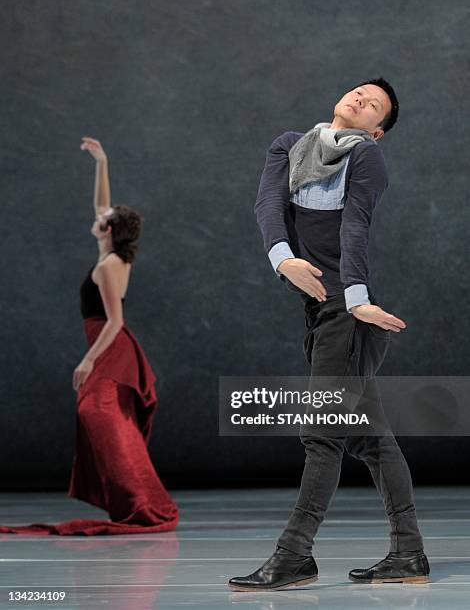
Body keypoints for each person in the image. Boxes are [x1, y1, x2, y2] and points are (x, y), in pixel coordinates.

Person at [228, 78, 430, 589]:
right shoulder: (289, 145)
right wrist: (284, 259)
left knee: (322, 433)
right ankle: (409, 554)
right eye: (360, 93)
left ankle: (294, 554)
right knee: (367, 435)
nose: (362, 100)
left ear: (377, 131)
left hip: (346, 310)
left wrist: (358, 300)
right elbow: (267, 204)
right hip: (319, 309)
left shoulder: (366, 158)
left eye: (374, 106)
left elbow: (354, 226)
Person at [0, 138, 178, 535]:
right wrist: (102, 161)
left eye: (106, 217)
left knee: (96, 413)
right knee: (106, 417)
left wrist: (88, 360)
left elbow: (114, 321)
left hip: (112, 348)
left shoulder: (108, 267)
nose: (98, 215)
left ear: (109, 229)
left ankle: (144, 502)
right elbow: (102, 205)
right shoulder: (112, 253)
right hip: (111, 347)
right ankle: (132, 498)